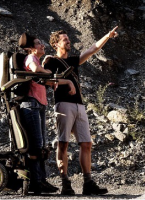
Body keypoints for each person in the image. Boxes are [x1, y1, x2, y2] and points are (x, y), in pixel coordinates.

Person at [43, 26, 119, 195]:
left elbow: (93, 49)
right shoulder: (51, 61)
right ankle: (65, 183)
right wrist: (64, 82)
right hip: (63, 104)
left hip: (79, 105)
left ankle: (88, 183)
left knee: (86, 144)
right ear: (56, 44)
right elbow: (45, 79)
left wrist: (107, 35)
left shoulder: (74, 61)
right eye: (65, 39)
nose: (69, 41)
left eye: (68, 39)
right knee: (63, 144)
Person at [18, 33, 74, 195]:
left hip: (39, 105)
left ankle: (41, 180)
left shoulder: (36, 59)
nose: (42, 45)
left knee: (41, 145)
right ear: (30, 49)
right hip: (31, 104)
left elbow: (44, 78)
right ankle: (36, 182)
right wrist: (47, 71)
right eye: (38, 43)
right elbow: (36, 70)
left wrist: (62, 80)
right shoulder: (31, 59)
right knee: (36, 145)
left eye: (41, 43)